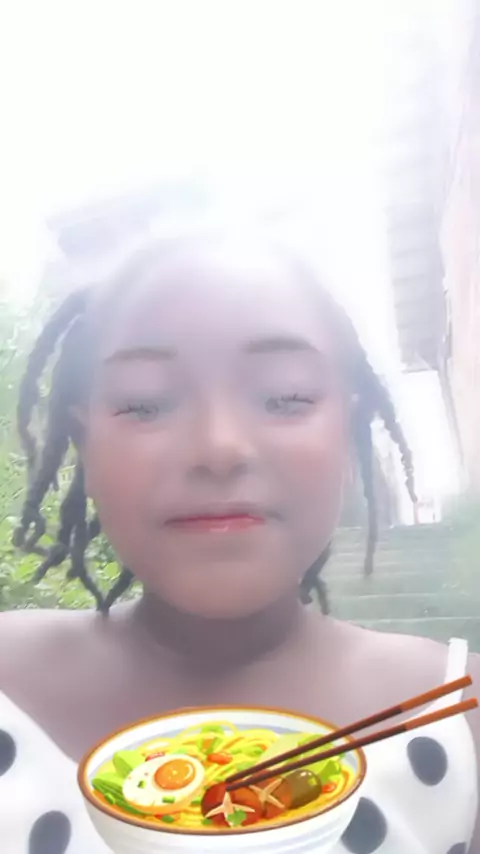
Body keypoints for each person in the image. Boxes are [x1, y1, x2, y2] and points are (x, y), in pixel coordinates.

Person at [0, 227, 478, 854]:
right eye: (145, 405)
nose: (218, 446)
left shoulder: (455, 711)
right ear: (85, 444)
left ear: (348, 430)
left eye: (284, 397)